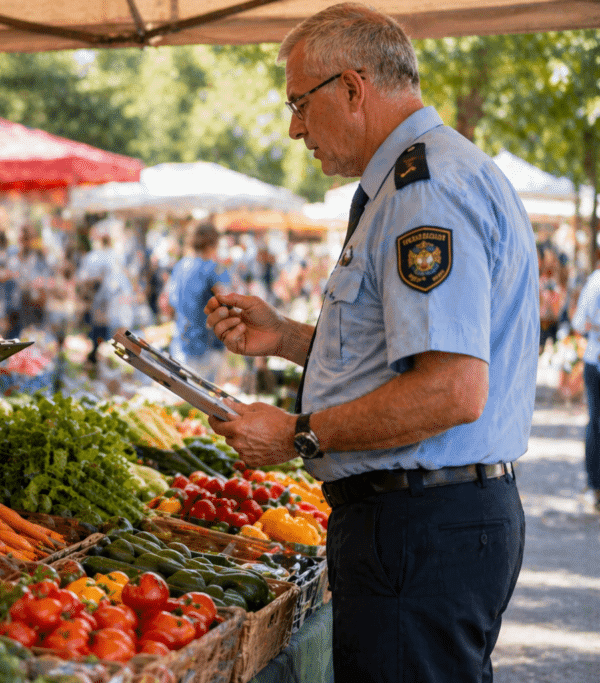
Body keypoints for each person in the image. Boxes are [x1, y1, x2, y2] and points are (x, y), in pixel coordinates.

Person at [204, 5, 537, 681]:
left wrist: (297, 433)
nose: (295, 127)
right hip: (431, 520)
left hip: (416, 524)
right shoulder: (425, 175)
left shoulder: (424, 190)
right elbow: (411, 354)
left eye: (300, 103)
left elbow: (451, 389)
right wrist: (291, 338)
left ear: (353, 89)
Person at [165, 223, 231, 382]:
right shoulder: (214, 269)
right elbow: (228, 302)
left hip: (181, 343)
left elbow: (167, 305)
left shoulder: (180, 266)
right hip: (207, 346)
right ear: (213, 244)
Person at [75, 218, 135, 367]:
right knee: (110, 344)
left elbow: (84, 281)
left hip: (104, 308)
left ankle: (103, 367)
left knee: (101, 343)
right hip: (111, 307)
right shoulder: (114, 256)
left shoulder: (96, 257)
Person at [571, 262, 600, 514]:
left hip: (595, 360)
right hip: (596, 362)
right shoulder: (596, 282)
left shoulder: (595, 281)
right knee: (596, 423)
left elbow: (580, 323)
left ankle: (594, 487)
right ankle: (594, 485)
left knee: (596, 423)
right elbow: (580, 323)